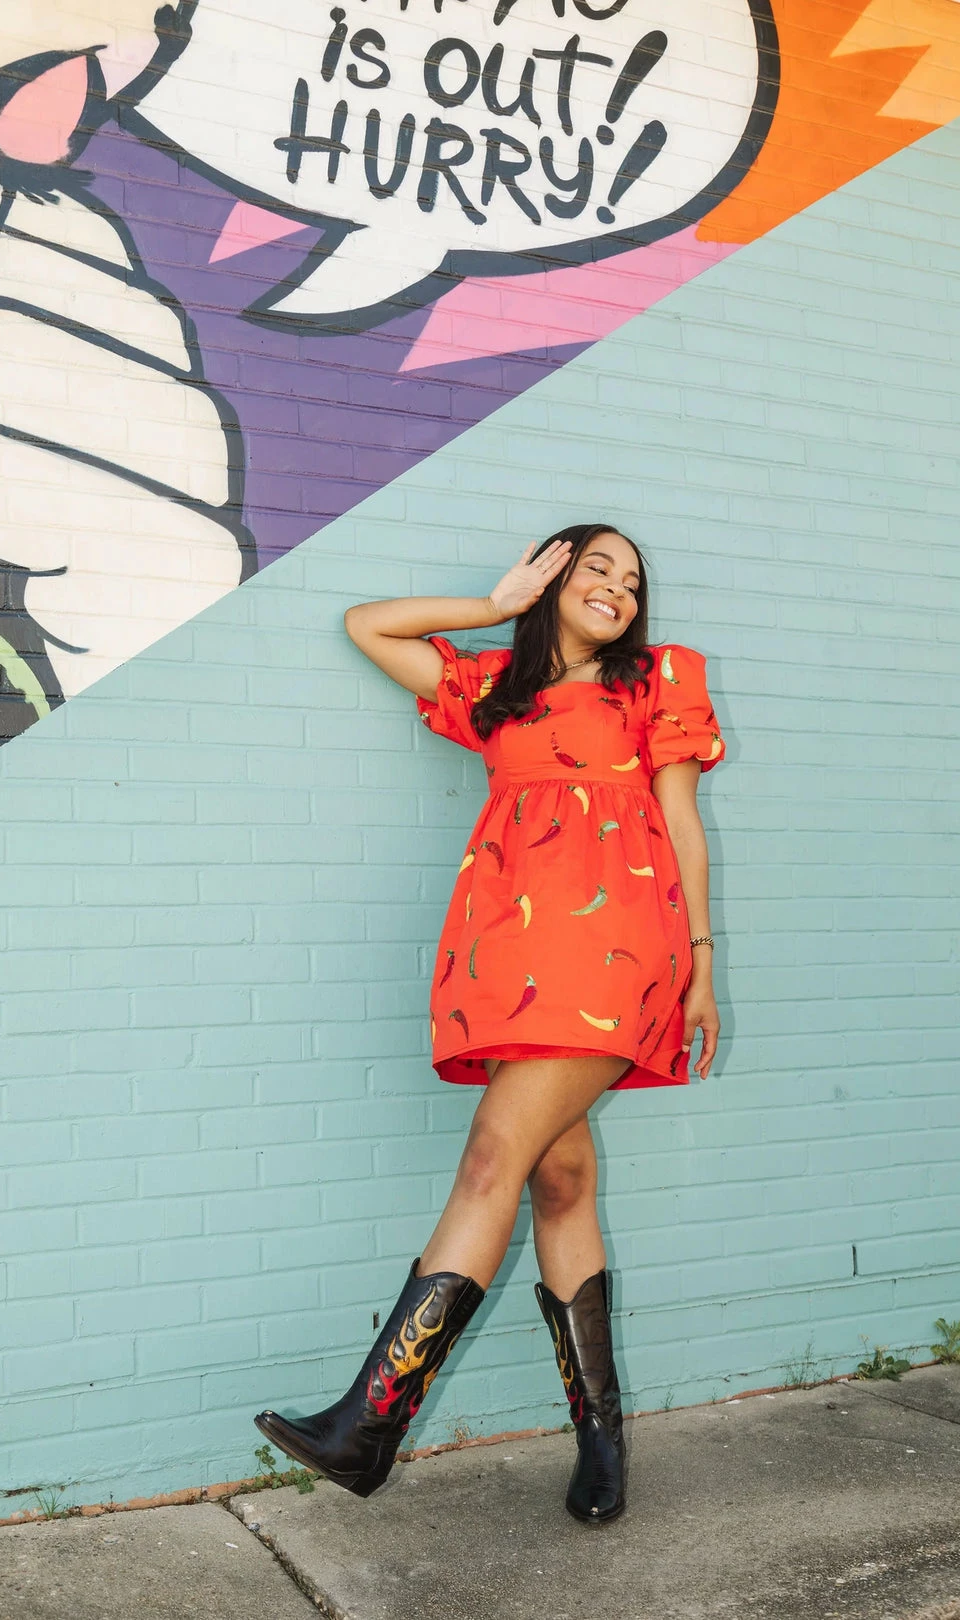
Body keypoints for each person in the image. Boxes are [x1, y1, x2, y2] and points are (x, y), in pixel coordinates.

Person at [256, 523, 724, 1523]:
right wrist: (490, 607)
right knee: (561, 1179)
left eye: (632, 580)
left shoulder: (660, 679)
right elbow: (367, 626)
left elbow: (681, 821)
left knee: (489, 1161)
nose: (618, 588)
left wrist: (700, 963)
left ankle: (366, 1426)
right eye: (596, 567)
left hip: (620, 948)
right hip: (510, 958)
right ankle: (603, 1446)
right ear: (551, 577)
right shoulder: (491, 691)